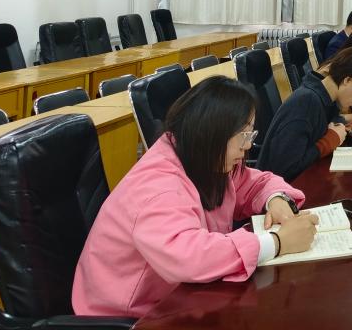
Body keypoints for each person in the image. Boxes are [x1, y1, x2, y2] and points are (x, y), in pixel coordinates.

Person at [73, 76, 318, 317]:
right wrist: (276, 242)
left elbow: (254, 182)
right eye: (243, 136)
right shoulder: (158, 187)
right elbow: (189, 257)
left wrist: (275, 198)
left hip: (180, 295)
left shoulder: (203, 157)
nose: (247, 147)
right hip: (128, 313)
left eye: (250, 135)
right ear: (211, 133)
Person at [257, 46, 352, 181]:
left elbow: (320, 132)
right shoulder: (306, 102)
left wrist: (348, 132)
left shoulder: (327, 99)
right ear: (347, 80)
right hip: (276, 189)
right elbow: (284, 170)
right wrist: (328, 141)